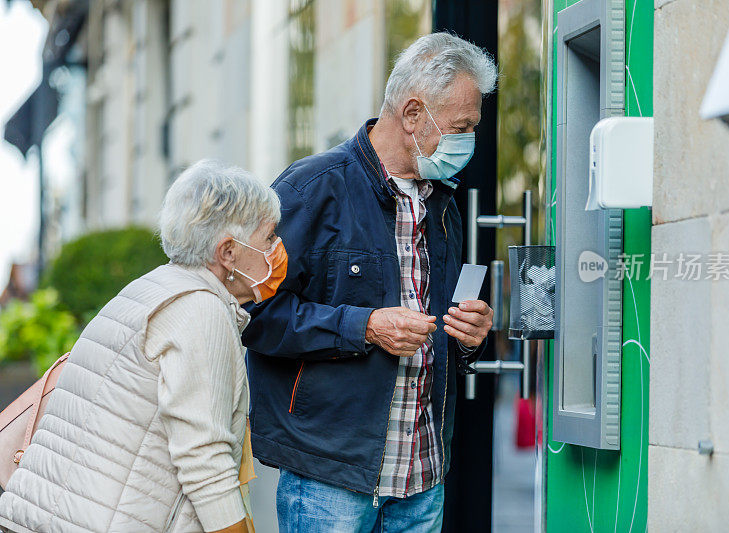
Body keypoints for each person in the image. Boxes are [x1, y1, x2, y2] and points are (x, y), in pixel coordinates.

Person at [243, 32, 497, 532]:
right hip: (329, 480)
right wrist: (365, 327)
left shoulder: (443, 204)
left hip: (422, 478)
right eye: (462, 127)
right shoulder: (310, 189)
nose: (470, 141)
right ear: (412, 114)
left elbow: (440, 328)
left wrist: (469, 336)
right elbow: (254, 315)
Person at [0, 160, 286, 533]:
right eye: (268, 238)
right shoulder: (199, 309)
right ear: (228, 251)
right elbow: (205, 461)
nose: (277, 250)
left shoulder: (151, 288)